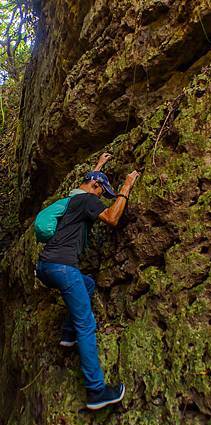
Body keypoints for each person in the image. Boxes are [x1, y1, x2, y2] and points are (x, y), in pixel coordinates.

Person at [35, 152, 140, 410]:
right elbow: (112, 218)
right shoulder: (88, 201)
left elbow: (89, 183)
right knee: (87, 324)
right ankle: (96, 391)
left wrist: (99, 168)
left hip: (45, 266)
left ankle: (67, 335)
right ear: (95, 188)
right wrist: (126, 186)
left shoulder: (73, 199)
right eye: (102, 193)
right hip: (62, 267)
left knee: (88, 284)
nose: (101, 199)